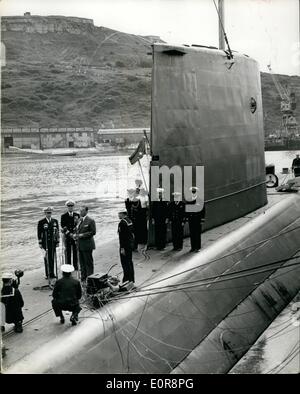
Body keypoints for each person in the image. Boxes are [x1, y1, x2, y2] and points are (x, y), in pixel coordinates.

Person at [75, 206, 96, 283]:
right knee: (82, 262)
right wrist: (76, 235)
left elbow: (93, 232)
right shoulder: (80, 220)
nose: (80, 212)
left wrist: (82, 235)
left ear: (86, 211)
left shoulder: (90, 220)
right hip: (80, 245)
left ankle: (90, 278)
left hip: (87, 245)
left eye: (82, 211)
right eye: (80, 211)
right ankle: (83, 278)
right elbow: (77, 230)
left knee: (88, 262)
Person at [37, 207, 60, 279]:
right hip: (45, 243)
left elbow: (57, 232)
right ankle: (48, 274)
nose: (49, 214)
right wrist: (40, 243)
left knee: (52, 258)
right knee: (46, 258)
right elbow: (39, 233)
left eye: (50, 213)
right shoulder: (41, 222)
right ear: (45, 213)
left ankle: (52, 273)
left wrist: (57, 241)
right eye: (47, 213)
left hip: (53, 242)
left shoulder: (55, 221)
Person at [185, 187, 206, 252]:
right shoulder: (188, 200)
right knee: (192, 233)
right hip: (191, 219)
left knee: (197, 233)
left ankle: (198, 247)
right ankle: (193, 247)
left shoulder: (200, 200)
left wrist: (202, 219)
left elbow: (203, 210)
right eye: (192, 192)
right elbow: (187, 210)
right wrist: (187, 218)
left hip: (198, 219)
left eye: (194, 192)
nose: (193, 193)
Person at [61, 200, 80, 270]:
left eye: (71, 206)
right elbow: (63, 226)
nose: (70, 207)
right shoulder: (63, 216)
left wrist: (75, 234)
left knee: (75, 252)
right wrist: (69, 234)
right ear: (67, 207)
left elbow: (79, 225)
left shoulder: (77, 215)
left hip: (75, 236)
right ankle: (68, 267)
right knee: (68, 252)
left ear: (73, 207)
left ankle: (75, 266)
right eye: (69, 206)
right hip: (67, 237)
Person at [118, 210, 135, 283]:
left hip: (124, 246)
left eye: (119, 213)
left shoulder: (122, 223)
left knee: (125, 263)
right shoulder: (129, 221)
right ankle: (131, 279)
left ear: (122, 214)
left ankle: (126, 280)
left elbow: (122, 237)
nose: (118, 215)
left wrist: (122, 248)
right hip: (130, 244)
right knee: (130, 262)